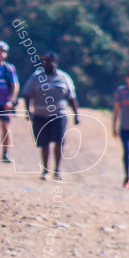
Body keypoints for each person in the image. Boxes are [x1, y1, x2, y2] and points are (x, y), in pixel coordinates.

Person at [21, 51, 80, 181]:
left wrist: (76, 114)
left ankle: (57, 170)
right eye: (44, 61)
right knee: (44, 143)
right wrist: (28, 110)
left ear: (55, 63)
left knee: (59, 141)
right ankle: (45, 170)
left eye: (48, 61)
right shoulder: (36, 77)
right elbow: (26, 94)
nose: (45, 64)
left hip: (59, 114)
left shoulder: (64, 78)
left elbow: (71, 97)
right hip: (40, 115)